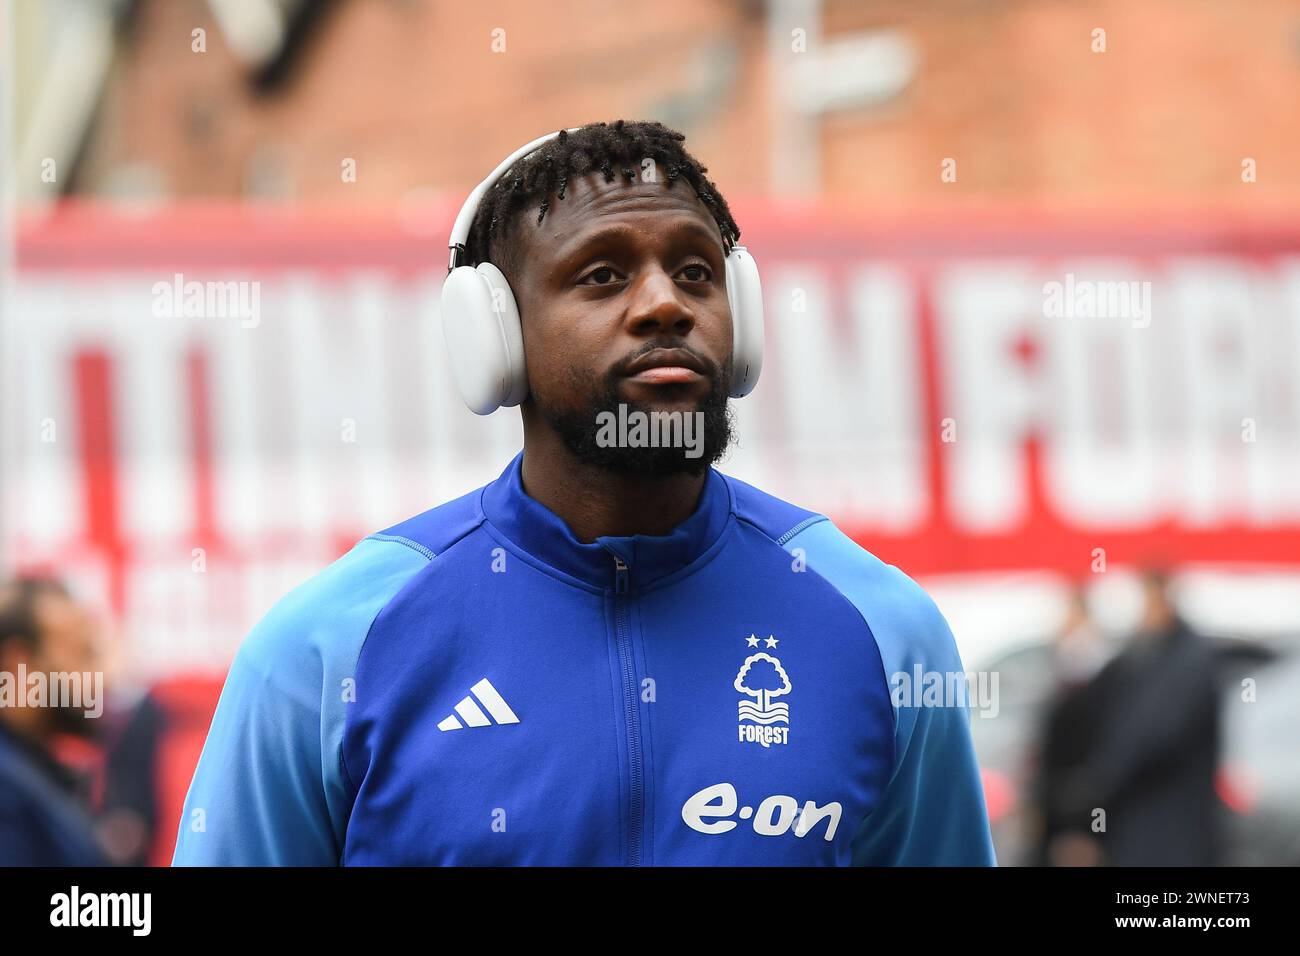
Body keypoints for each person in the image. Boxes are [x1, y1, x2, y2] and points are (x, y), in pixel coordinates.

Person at [173, 120, 995, 866]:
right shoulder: (329, 651)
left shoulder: (884, 631)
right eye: (602, 276)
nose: (666, 304)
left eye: (696, 272)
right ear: (496, 336)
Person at [1058, 569, 1223, 866]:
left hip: (1168, 831)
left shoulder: (1186, 663)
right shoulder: (1150, 656)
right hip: (1145, 826)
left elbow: (1149, 738)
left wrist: (1096, 783)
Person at [0, 576, 110, 865]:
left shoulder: (31, 773)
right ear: (18, 666)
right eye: (80, 651)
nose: (96, 675)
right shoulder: (9, 790)